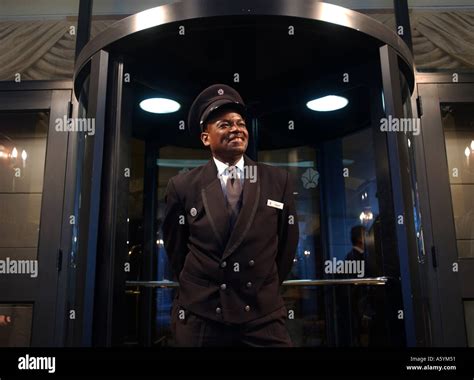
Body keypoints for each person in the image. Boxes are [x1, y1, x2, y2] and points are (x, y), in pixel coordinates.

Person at [162, 84, 299, 347]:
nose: (236, 129)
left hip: (262, 315)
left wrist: (260, 283)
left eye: (240, 123)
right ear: (205, 138)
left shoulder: (277, 180)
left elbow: (286, 246)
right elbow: (176, 251)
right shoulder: (182, 186)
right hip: (203, 315)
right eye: (224, 124)